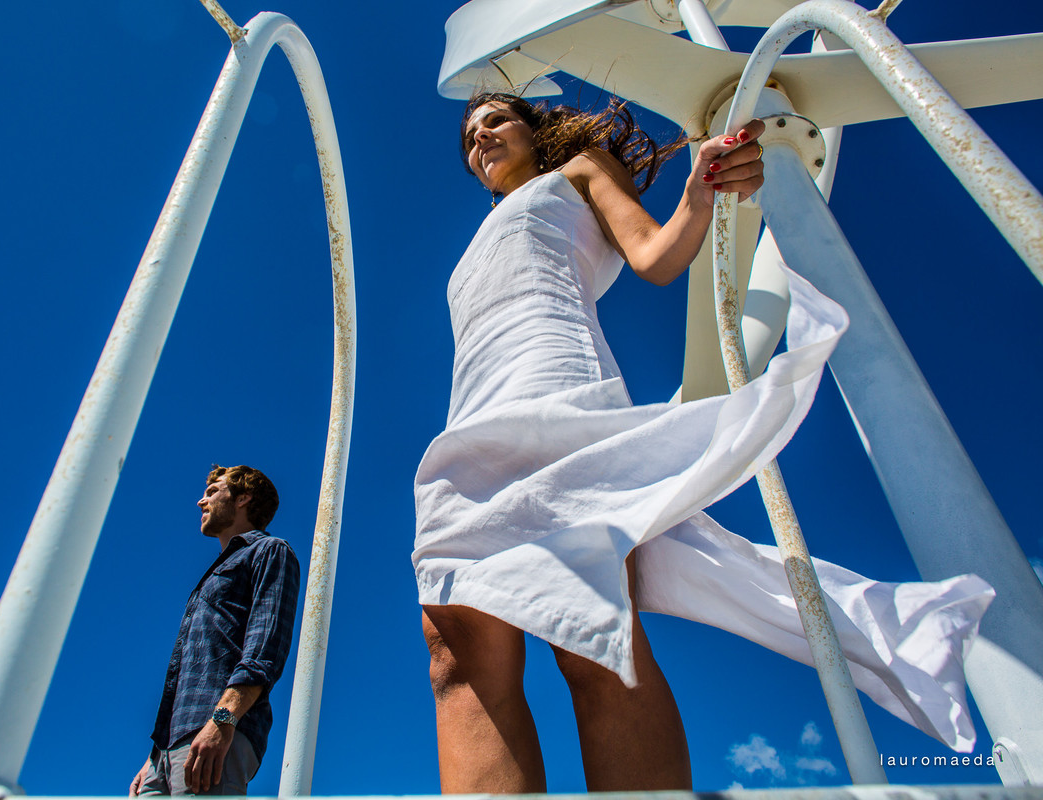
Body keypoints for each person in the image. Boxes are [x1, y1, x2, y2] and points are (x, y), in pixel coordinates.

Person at [413, 92, 993, 793]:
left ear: (535, 130)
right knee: (454, 649)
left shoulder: (578, 173)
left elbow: (655, 256)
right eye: (470, 138)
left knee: (589, 636)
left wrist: (701, 190)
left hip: (554, 388)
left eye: (495, 121)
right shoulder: (476, 238)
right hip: (470, 416)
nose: (481, 140)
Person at [131, 464, 301, 796]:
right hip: (166, 751)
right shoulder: (214, 572)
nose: (200, 501)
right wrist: (154, 758)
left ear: (243, 498)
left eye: (213, 492)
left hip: (216, 732)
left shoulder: (269, 551)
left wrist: (222, 722)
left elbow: (264, 651)